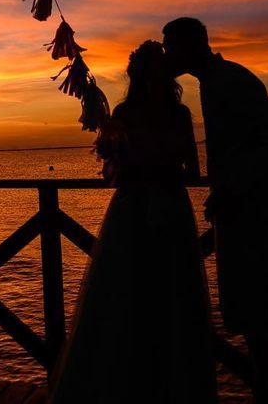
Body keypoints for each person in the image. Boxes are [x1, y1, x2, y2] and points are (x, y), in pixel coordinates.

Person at [50, 41, 217, 403]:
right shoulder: (180, 114)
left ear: (133, 75)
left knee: (123, 295)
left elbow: (114, 168)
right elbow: (193, 169)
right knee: (171, 295)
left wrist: (120, 148)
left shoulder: (126, 111)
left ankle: (122, 384)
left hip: (131, 208)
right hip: (170, 205)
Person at [162, 17, 268, 404]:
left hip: (258, 223)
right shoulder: (212, 83)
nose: (166, 54)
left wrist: (233, 188)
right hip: (242, 221)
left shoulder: (232, 81)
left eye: (169, 46)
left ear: (190, 46)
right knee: (260, 328)